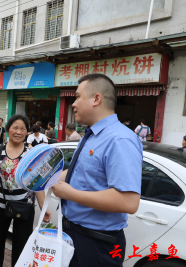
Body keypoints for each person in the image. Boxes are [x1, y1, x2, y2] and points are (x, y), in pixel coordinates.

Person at [52, 73, 142, 267]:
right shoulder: (92, 135)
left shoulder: (120, 139)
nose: (73, 104)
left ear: (96, 99)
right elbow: (83, 173)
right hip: (74, 235)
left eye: (77, 96)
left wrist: (71, 194)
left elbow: (129, 201)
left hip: (96, 243)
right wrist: (48, 178)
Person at [0, 114, 51, 267]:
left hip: (24, 206)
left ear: (27, 132)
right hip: (0, 205)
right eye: (15, 127)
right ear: (8, 130)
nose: (19, 131)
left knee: (21, 247)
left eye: (23, 128)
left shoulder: (32, 153)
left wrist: (43, 205)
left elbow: (37, 181)